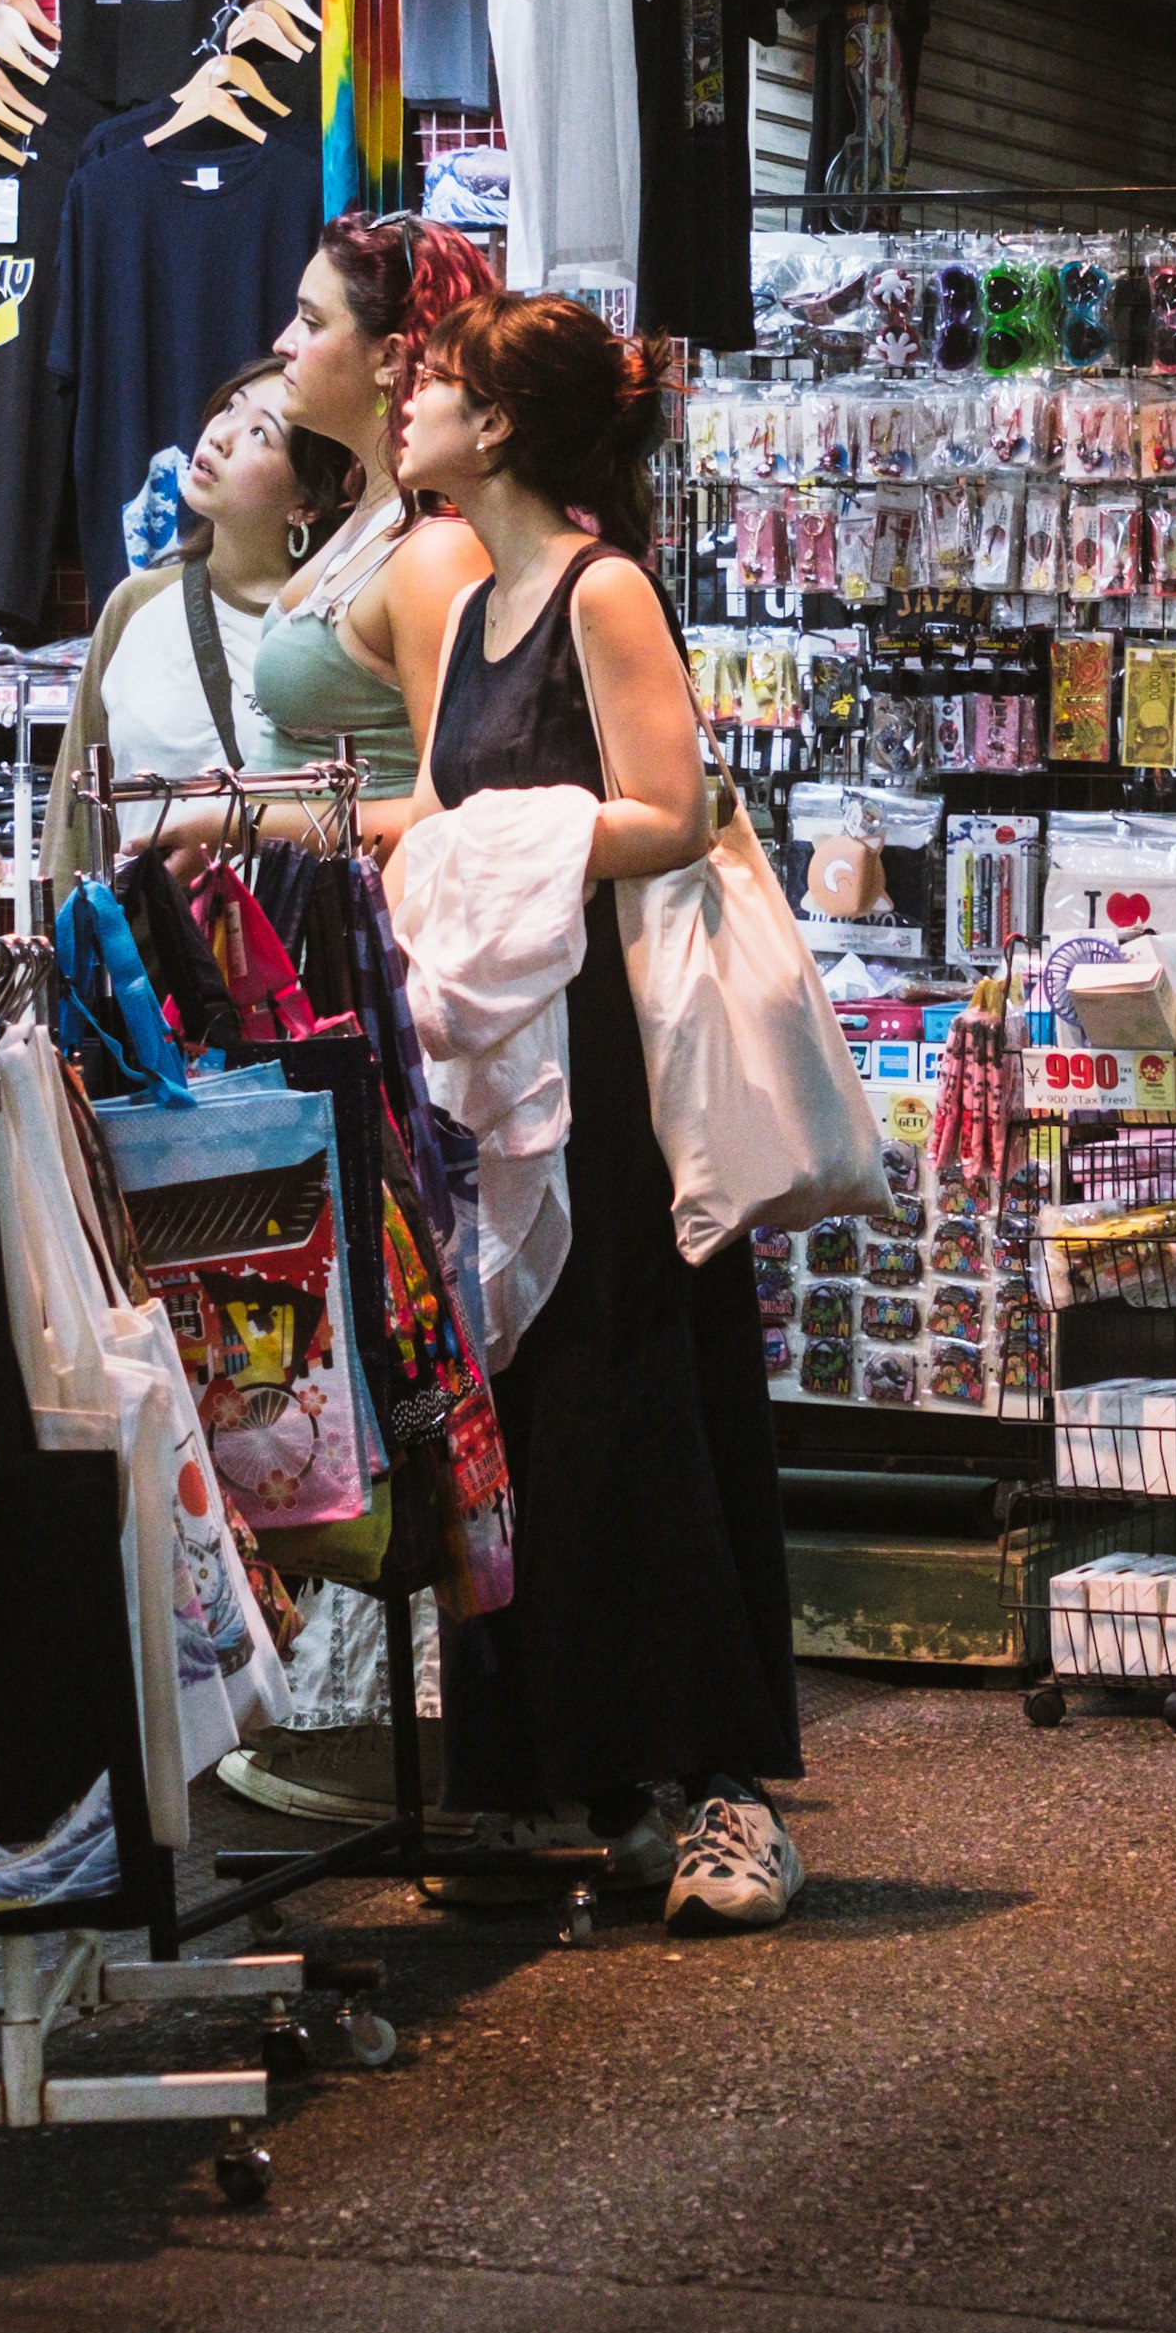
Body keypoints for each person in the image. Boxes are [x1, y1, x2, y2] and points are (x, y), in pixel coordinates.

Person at [391, 285, 803, 1934]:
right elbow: (435, 810)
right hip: (497, 1061)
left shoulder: (598, 590)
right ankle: (592, 1775)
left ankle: (725, 1790)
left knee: (634, 1399)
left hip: (613, 1070)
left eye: (440, 382)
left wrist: (508, 843)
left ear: (497, 428)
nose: (412, 401)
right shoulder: (472, 599)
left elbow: (674, 811)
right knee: (532, 1410)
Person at [250, 213, 500, 846]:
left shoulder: (437, 551)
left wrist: (227, 817)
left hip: (371, 928)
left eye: (311, 322)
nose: (283, 342)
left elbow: (452, 816)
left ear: (390, 356)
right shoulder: (375, 513)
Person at [47, 362, 351, 876]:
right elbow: (74, 809)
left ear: (305, 502)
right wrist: (64, 944)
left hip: (286, 946)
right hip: (146, 946)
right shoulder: (137, 603)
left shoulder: (335, 625)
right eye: (231, 407)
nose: (222, 436)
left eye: (261, 433)